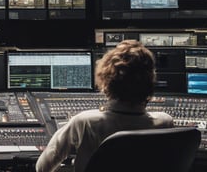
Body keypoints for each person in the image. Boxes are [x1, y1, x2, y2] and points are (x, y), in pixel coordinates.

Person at [35, 40, 173, 172]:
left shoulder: (86, 122)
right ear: (149, 82)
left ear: (106, 83)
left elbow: (42, 167)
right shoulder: (165, 122)